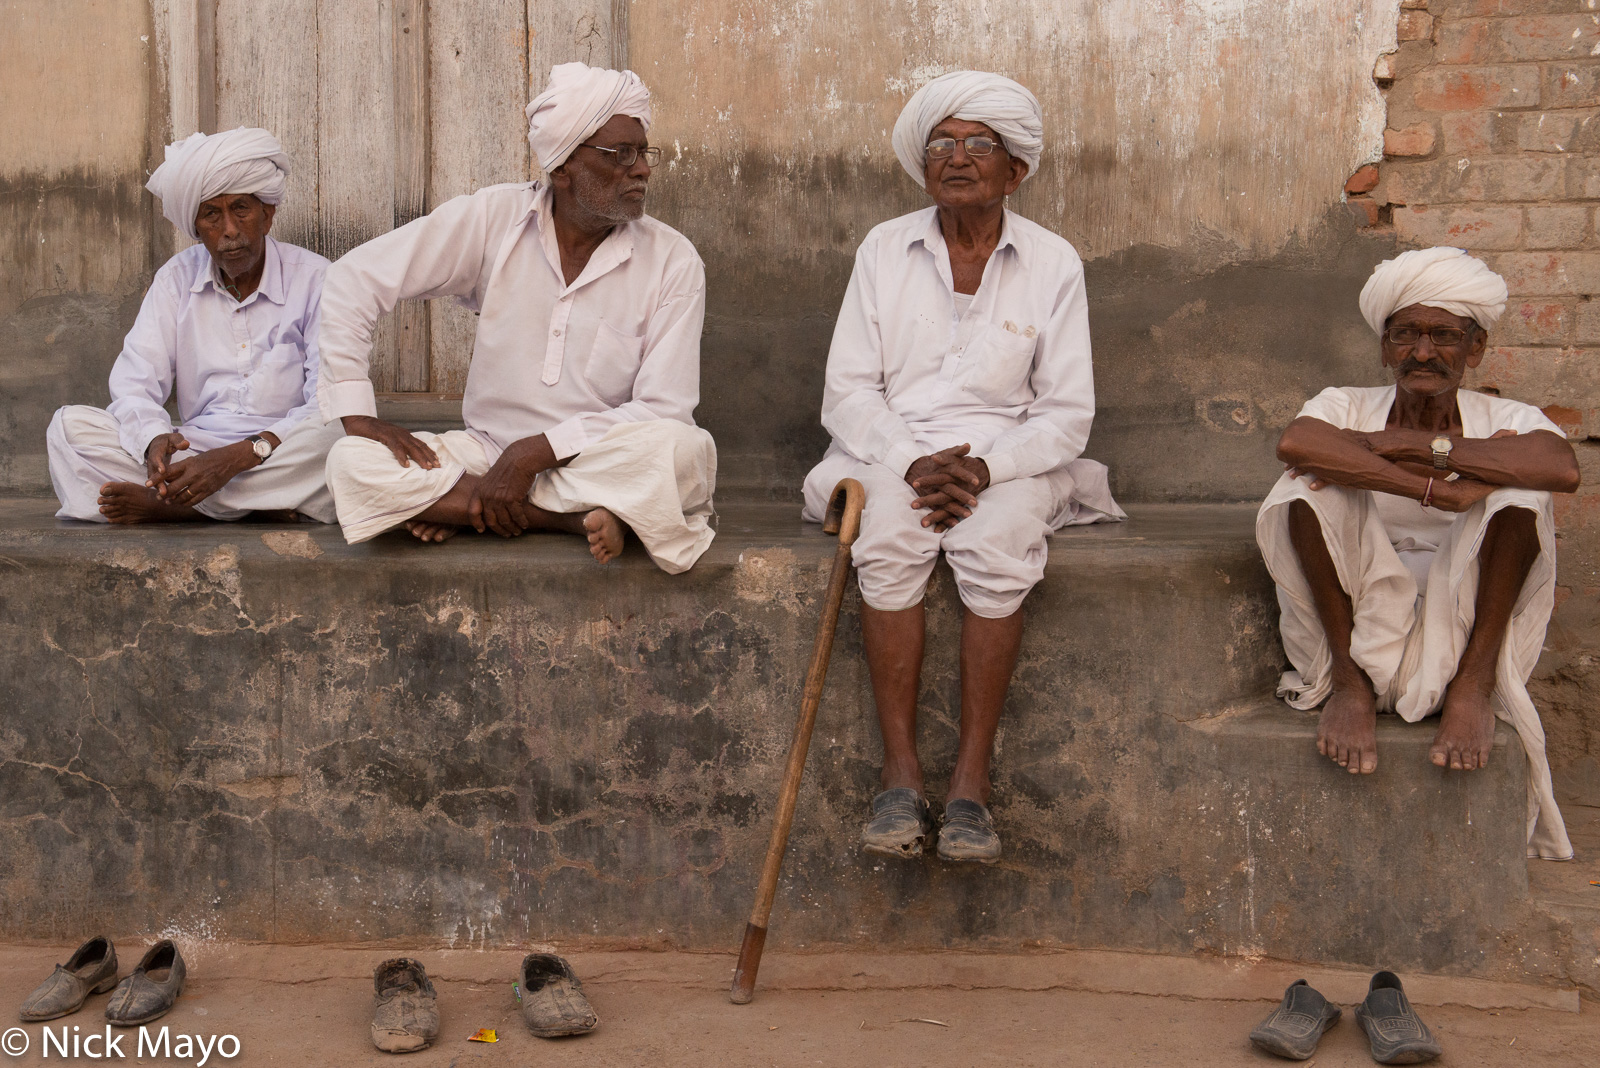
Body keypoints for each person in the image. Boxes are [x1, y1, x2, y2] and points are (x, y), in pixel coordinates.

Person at [803, 71, 1123, 864]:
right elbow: (847, 392)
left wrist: (985, 469)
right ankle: (900, 771)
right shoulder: (884, 248)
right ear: (923, 165)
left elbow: (1067, 411)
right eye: (941, 144)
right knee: (885, 539)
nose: (956, 158)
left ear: (1015, 171)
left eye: (979, 144)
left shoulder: (1053, 262)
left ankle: (971, 783)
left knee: (996, 544)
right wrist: (914, 461)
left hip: (1006, 459)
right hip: (890, 448)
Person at [317, 62, 715, 573]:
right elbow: (355, 277)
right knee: (350, 461)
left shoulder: (673, 260)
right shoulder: (493, 220)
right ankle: (565, 518)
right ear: (563, 164)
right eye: (622, 155)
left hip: (592, 459)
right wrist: (357, 413)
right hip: (486, 454)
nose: (641, 169)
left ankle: (465, 507)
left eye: (644, 153)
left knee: (683, 453)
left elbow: (665, 408)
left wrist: (537, 452)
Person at [1257, 246, 1578, 860]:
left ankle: (1473, 689)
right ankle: (1350, 688)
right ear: (1384, 347)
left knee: (1521, 499)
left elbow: (1560, 467)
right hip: (1358, 611)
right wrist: (1437, 490)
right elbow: (1299, 441)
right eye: (1405, 335)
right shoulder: (1343, 402)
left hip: (1464, 622)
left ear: (1475, 349)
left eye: (1443, 336)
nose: (1423, 352)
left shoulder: (1505, 414)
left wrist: (1388, 450)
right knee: (1298, 487)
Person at [47, 128, 339, 524]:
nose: (230, 230)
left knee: (339, 438)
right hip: (195, 451)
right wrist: (154, 439)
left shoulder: (318, 279)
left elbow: (328, 401)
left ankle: (173, 507)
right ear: (196, 227)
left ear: (267, 215)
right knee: (68, 428)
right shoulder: (175, 280)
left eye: (241, 209)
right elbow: (134, 384)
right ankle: (256, 505)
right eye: (212, 214)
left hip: (280, 447)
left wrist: (242, 455)